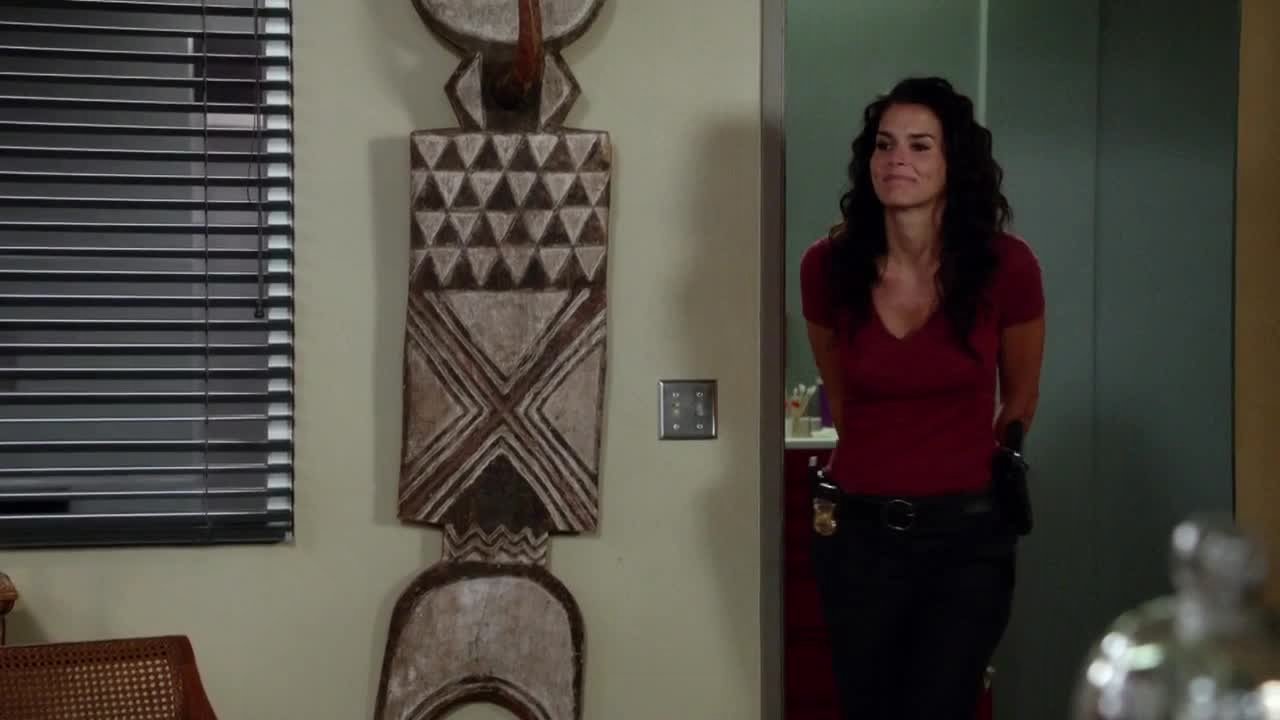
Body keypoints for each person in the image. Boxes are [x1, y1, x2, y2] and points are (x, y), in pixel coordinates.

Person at [799, 76, 1046, 719]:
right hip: (857, 537)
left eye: (919, 145)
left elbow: (1019, 400)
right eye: (884, 145)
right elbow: (842, 399)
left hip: (966, 540)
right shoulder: (827, 267)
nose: (897, 160)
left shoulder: (1007, 266)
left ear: (952, 162)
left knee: (941, 704)